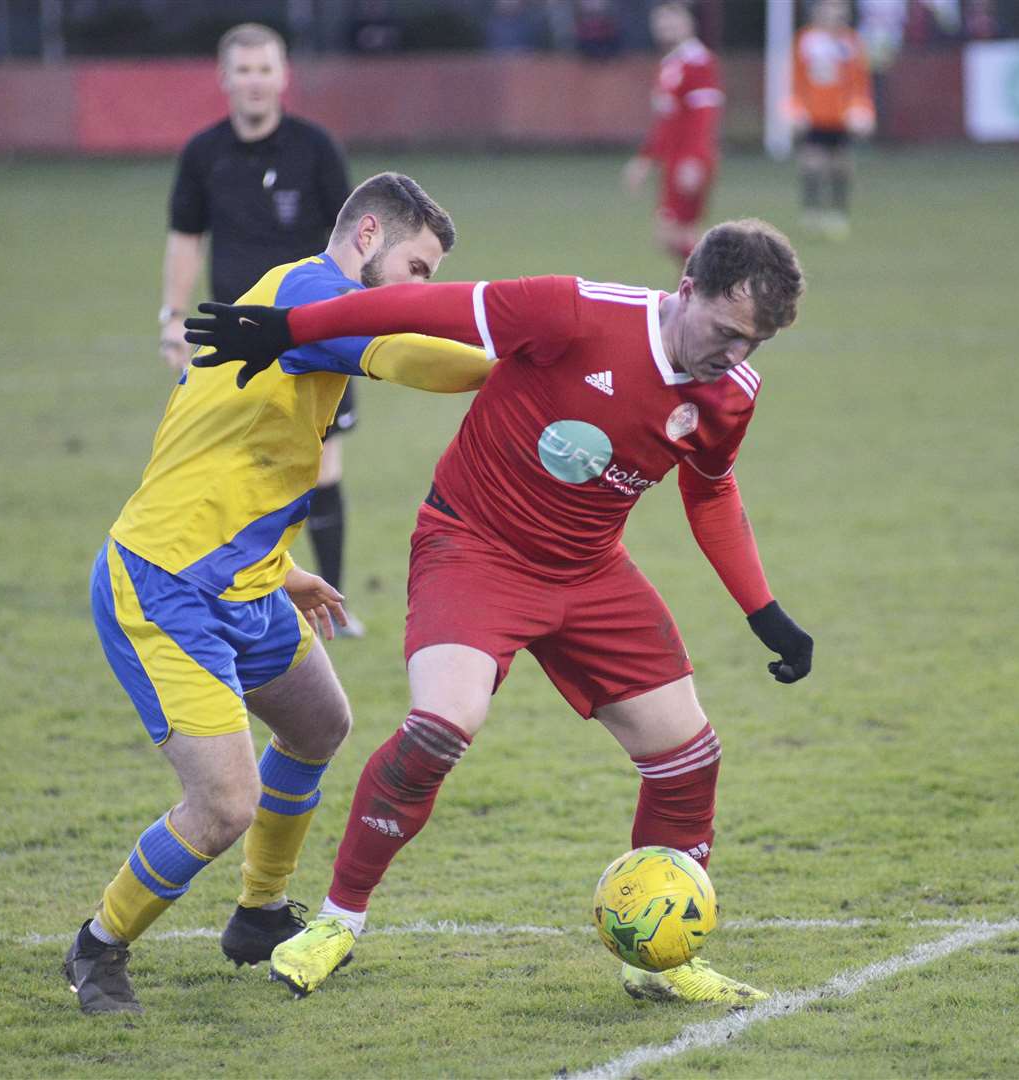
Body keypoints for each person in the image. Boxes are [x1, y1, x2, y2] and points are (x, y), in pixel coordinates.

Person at [184, 218, 814, 1005]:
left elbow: (711, 489)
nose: (734, 356)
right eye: (725, 332)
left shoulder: (730, 392)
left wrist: (764, 611)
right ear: (686, 290)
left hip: (589, 570)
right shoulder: (573, 313)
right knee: (440, 729)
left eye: (752, 344)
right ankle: (337, 923)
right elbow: (423, 309)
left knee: (689, 757)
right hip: (473, 548)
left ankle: (660, 961)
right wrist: (288, 328)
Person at [63, 173, 493, 1016]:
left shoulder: (301, 299)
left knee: (319, 722)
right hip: (165, 583)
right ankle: (96, 948)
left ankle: (258, 914)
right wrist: (516, 364)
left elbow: (236, 440)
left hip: (242, 575)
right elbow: (407, 356)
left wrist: (282, 565)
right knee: (223, 803)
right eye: (419, 268)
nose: (423, 291)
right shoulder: (310, 293)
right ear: (366, 235)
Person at [158, 24, 368, 634]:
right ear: (224, 80)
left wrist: (348, 315)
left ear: (284, 76)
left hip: (315, 332)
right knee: (237, 467)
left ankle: (335, 603)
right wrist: (172, 319)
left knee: (321, 465)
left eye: (264, 69)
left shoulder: (316, 148)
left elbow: (355, 238)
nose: (254, 81)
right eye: (242, 70)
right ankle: (237, 592)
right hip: (236, 339)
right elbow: (185, 239)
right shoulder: (203, 153)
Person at [622, 2, 724, 265]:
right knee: (676, 235)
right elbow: (665, 123)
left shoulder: (699, 62)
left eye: (673, 21)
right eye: (661, 22)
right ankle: (695, 295)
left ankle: (713, 285)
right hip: (674, 158)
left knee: (676, 234)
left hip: (690, 158)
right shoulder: (670, 63)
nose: (666, 27)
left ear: (689, 23)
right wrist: (645, 160)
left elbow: (705, 117)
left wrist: (694, 158)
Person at [788, 0, 875, 241]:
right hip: (814, 114)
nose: (834, 16)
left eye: (839, 11)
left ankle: (838, 213)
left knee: (842, 165)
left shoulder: (851, 42)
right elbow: (795, 79)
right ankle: (812, 210)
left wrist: (863, 110)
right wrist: (795, 109)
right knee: (812, 164)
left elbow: (860, 81)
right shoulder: (804, 40)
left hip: (842, 115)